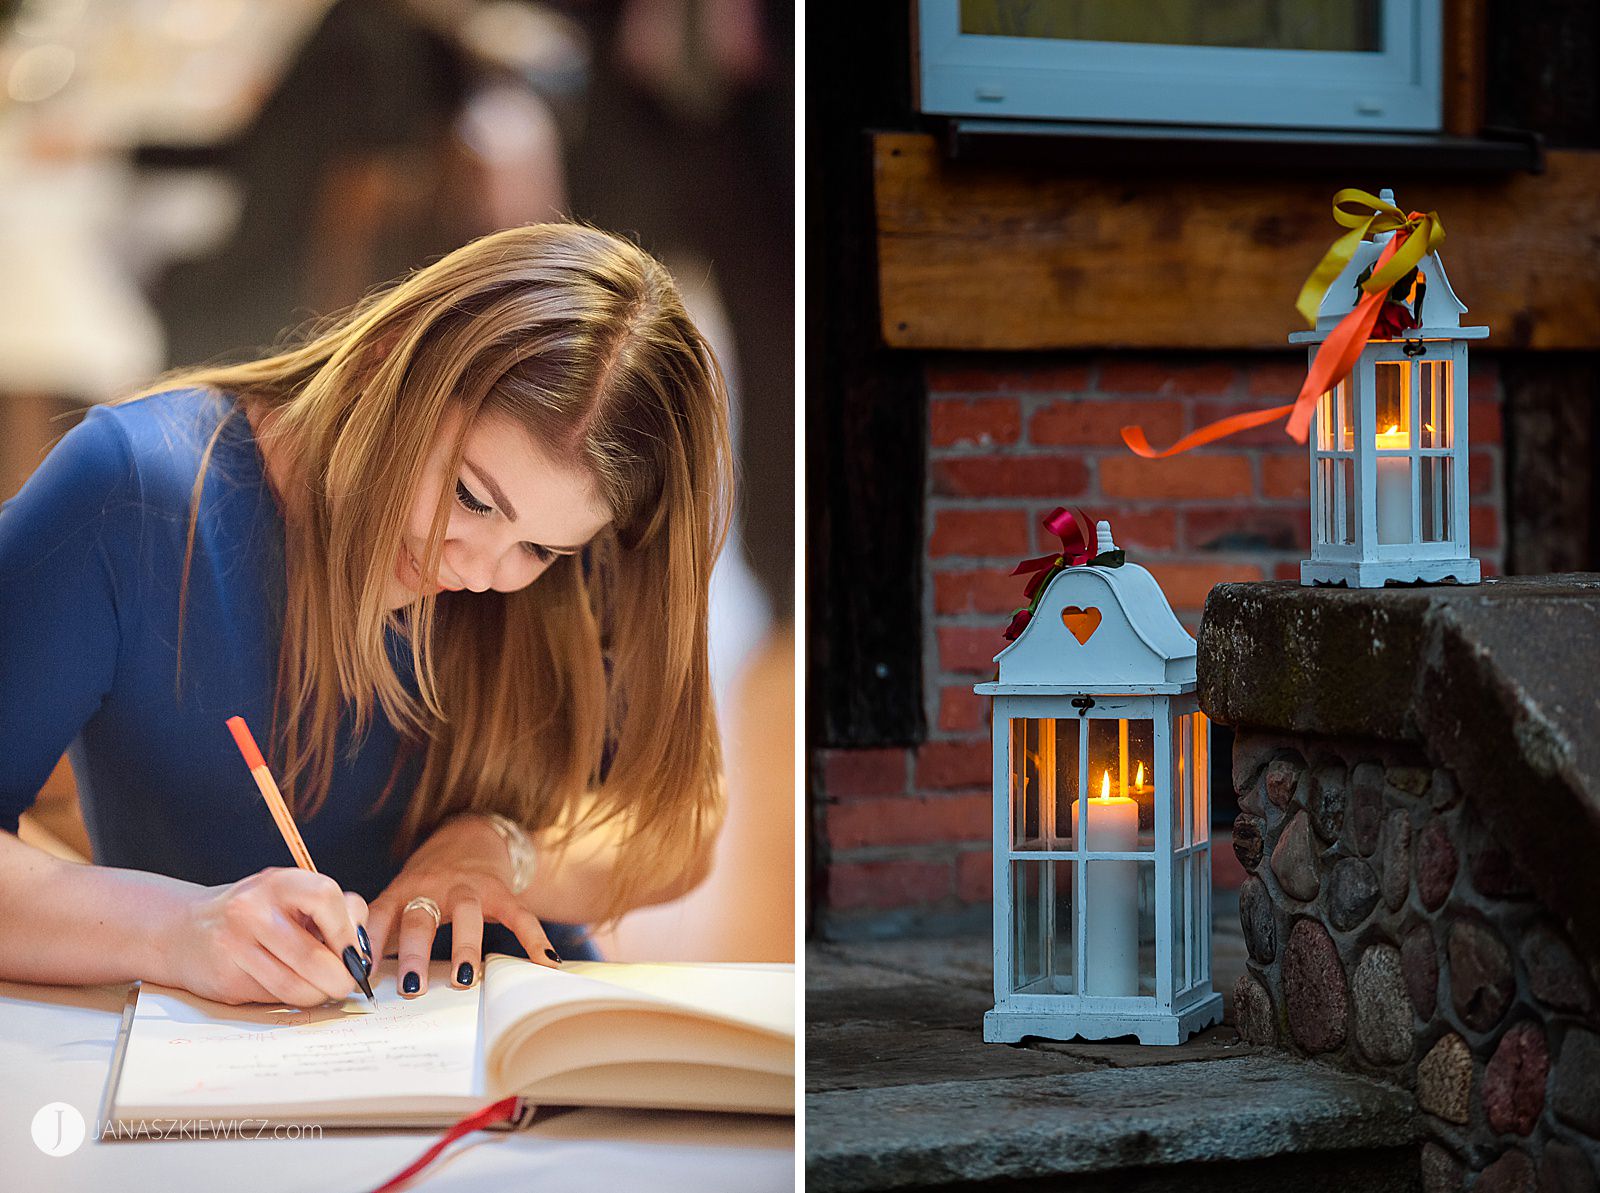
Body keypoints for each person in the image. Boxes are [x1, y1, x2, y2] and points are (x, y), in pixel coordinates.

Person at [0, 222, 732, 1007]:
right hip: (219, 1067)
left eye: (537, 551)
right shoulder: (134, 492)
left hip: (521, 1052)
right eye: (469, 495)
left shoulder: (576, 545)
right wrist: (179, 927)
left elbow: (678, 823)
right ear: (390, 362)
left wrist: (500, 853)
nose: (480, 571)